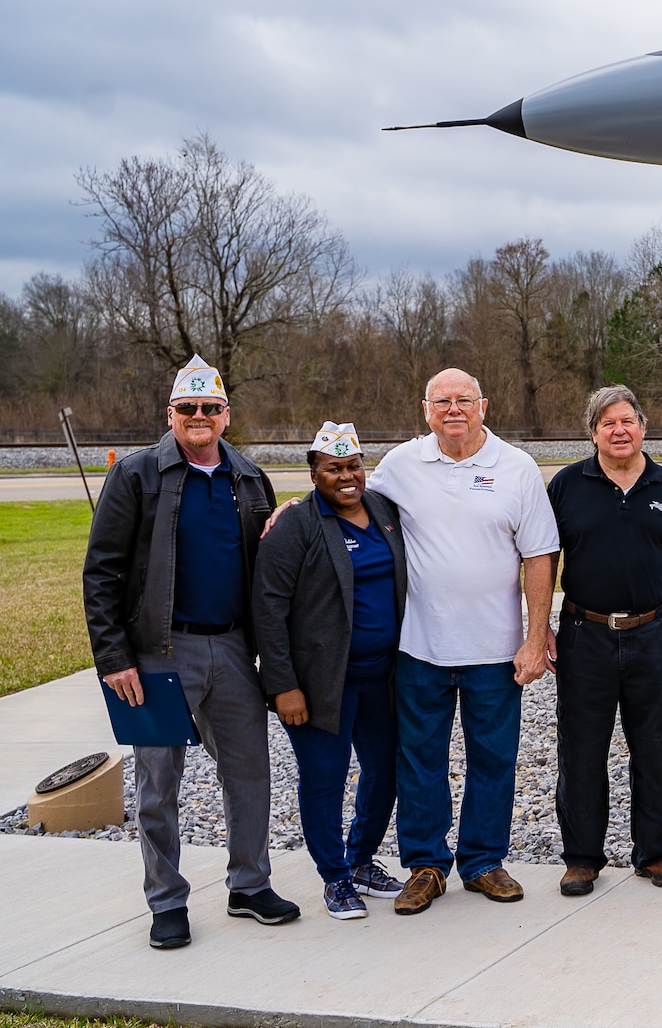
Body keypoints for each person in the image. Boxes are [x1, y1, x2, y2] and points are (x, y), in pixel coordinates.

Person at [81, 354, 294, 949]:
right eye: (187, 408)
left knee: (249, 770)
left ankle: (249, 885)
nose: (199, 417)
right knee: (158, 783)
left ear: (226, 415)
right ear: (171, 412)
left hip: (229, 646)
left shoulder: (249, 478)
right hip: (154, 654)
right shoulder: (136, 475)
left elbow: (267, 567)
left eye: (210, 408)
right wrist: (114, 657)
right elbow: (101, 572)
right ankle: (166, 901)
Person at [366, 369, 560, 915]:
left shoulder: (516, 468)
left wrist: (534, 636)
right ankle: (426, 866)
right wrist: (291, 510)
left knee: (493, 757)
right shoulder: (403, 464)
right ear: (425, 409)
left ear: (485, 405)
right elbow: (346, 500)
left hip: (496, 652)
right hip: (419, 647)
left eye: (465, 400)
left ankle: (482, 862)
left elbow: (539, 556)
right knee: (420, 758)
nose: (454, 410)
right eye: (442, 401)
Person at [545, 386, 662, 897]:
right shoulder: (566, 486)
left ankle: (653, 852)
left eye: (628, 421)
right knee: (581, 749)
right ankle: (582, 858)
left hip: (654, 635)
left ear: (643, 426)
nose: (619, 431)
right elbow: (542, 563)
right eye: (607, 423)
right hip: (583, 634)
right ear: (592, 431)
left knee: (655, 748)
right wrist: (537, 629)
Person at [253, 423, 408, 920]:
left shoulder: (384, 511)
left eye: (353, 466)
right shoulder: (295, 525)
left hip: (382, 678)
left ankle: (361, 860)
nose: (346, 477)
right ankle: (335, 878)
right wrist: (283, 686)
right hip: (320, 684)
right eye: (334, 469)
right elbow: (269, 609)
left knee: (386, 771)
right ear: (314, 474)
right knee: (325, 778)